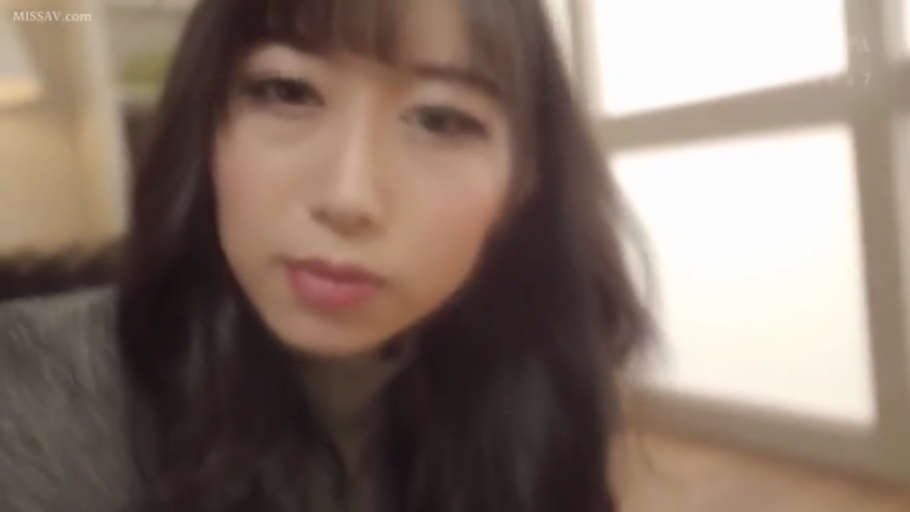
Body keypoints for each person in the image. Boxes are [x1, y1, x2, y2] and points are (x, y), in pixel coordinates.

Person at [0, 0, 653, 511]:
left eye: (440, 120)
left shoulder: (547, 386)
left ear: (524, 183)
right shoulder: (37, 394)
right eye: (287, 91)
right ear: (207, 132)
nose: (347, 197)